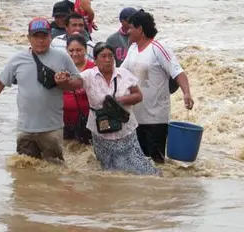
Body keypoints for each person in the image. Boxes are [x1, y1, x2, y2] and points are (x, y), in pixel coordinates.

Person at [0, 17, 83, 163]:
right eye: (36, 37)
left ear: (50, 37)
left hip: (52, 129)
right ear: (29, 38)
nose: (40, 40)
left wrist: (65, 82)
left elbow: (79, 82)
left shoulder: (62, 57)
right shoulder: (18, 60)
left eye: (44, 36)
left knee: (55, 171)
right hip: (25, 129)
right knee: (25, 171)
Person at [120, 10, 195, 164]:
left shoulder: (159, 48)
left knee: (157, 162)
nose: (128, 31)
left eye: (131, 28)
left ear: (140, 29)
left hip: (156, 118)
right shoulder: (133, 49)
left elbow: (178, 72)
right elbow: (121, 73)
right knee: (138, 162)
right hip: (134, 116)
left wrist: (186, 93)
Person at [80, 42, 160, 175]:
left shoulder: (125, 74)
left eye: (110, 56)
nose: (107, 60)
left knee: (141, 169)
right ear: (95, 60)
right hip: (100, 133)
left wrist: (119, 101)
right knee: (108, 171)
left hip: (126, 131)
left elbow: (138, 96)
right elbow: (73, 83)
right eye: (103, 56)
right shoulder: (87, 76)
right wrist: (64, 79)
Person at [62, 35, 96, 142]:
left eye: (79, 50)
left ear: (86, 50)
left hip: (89, 122)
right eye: (71, 50)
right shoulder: (60, 69)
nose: (75, 54)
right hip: (64, 121)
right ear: (66, 51)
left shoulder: (94, 69)